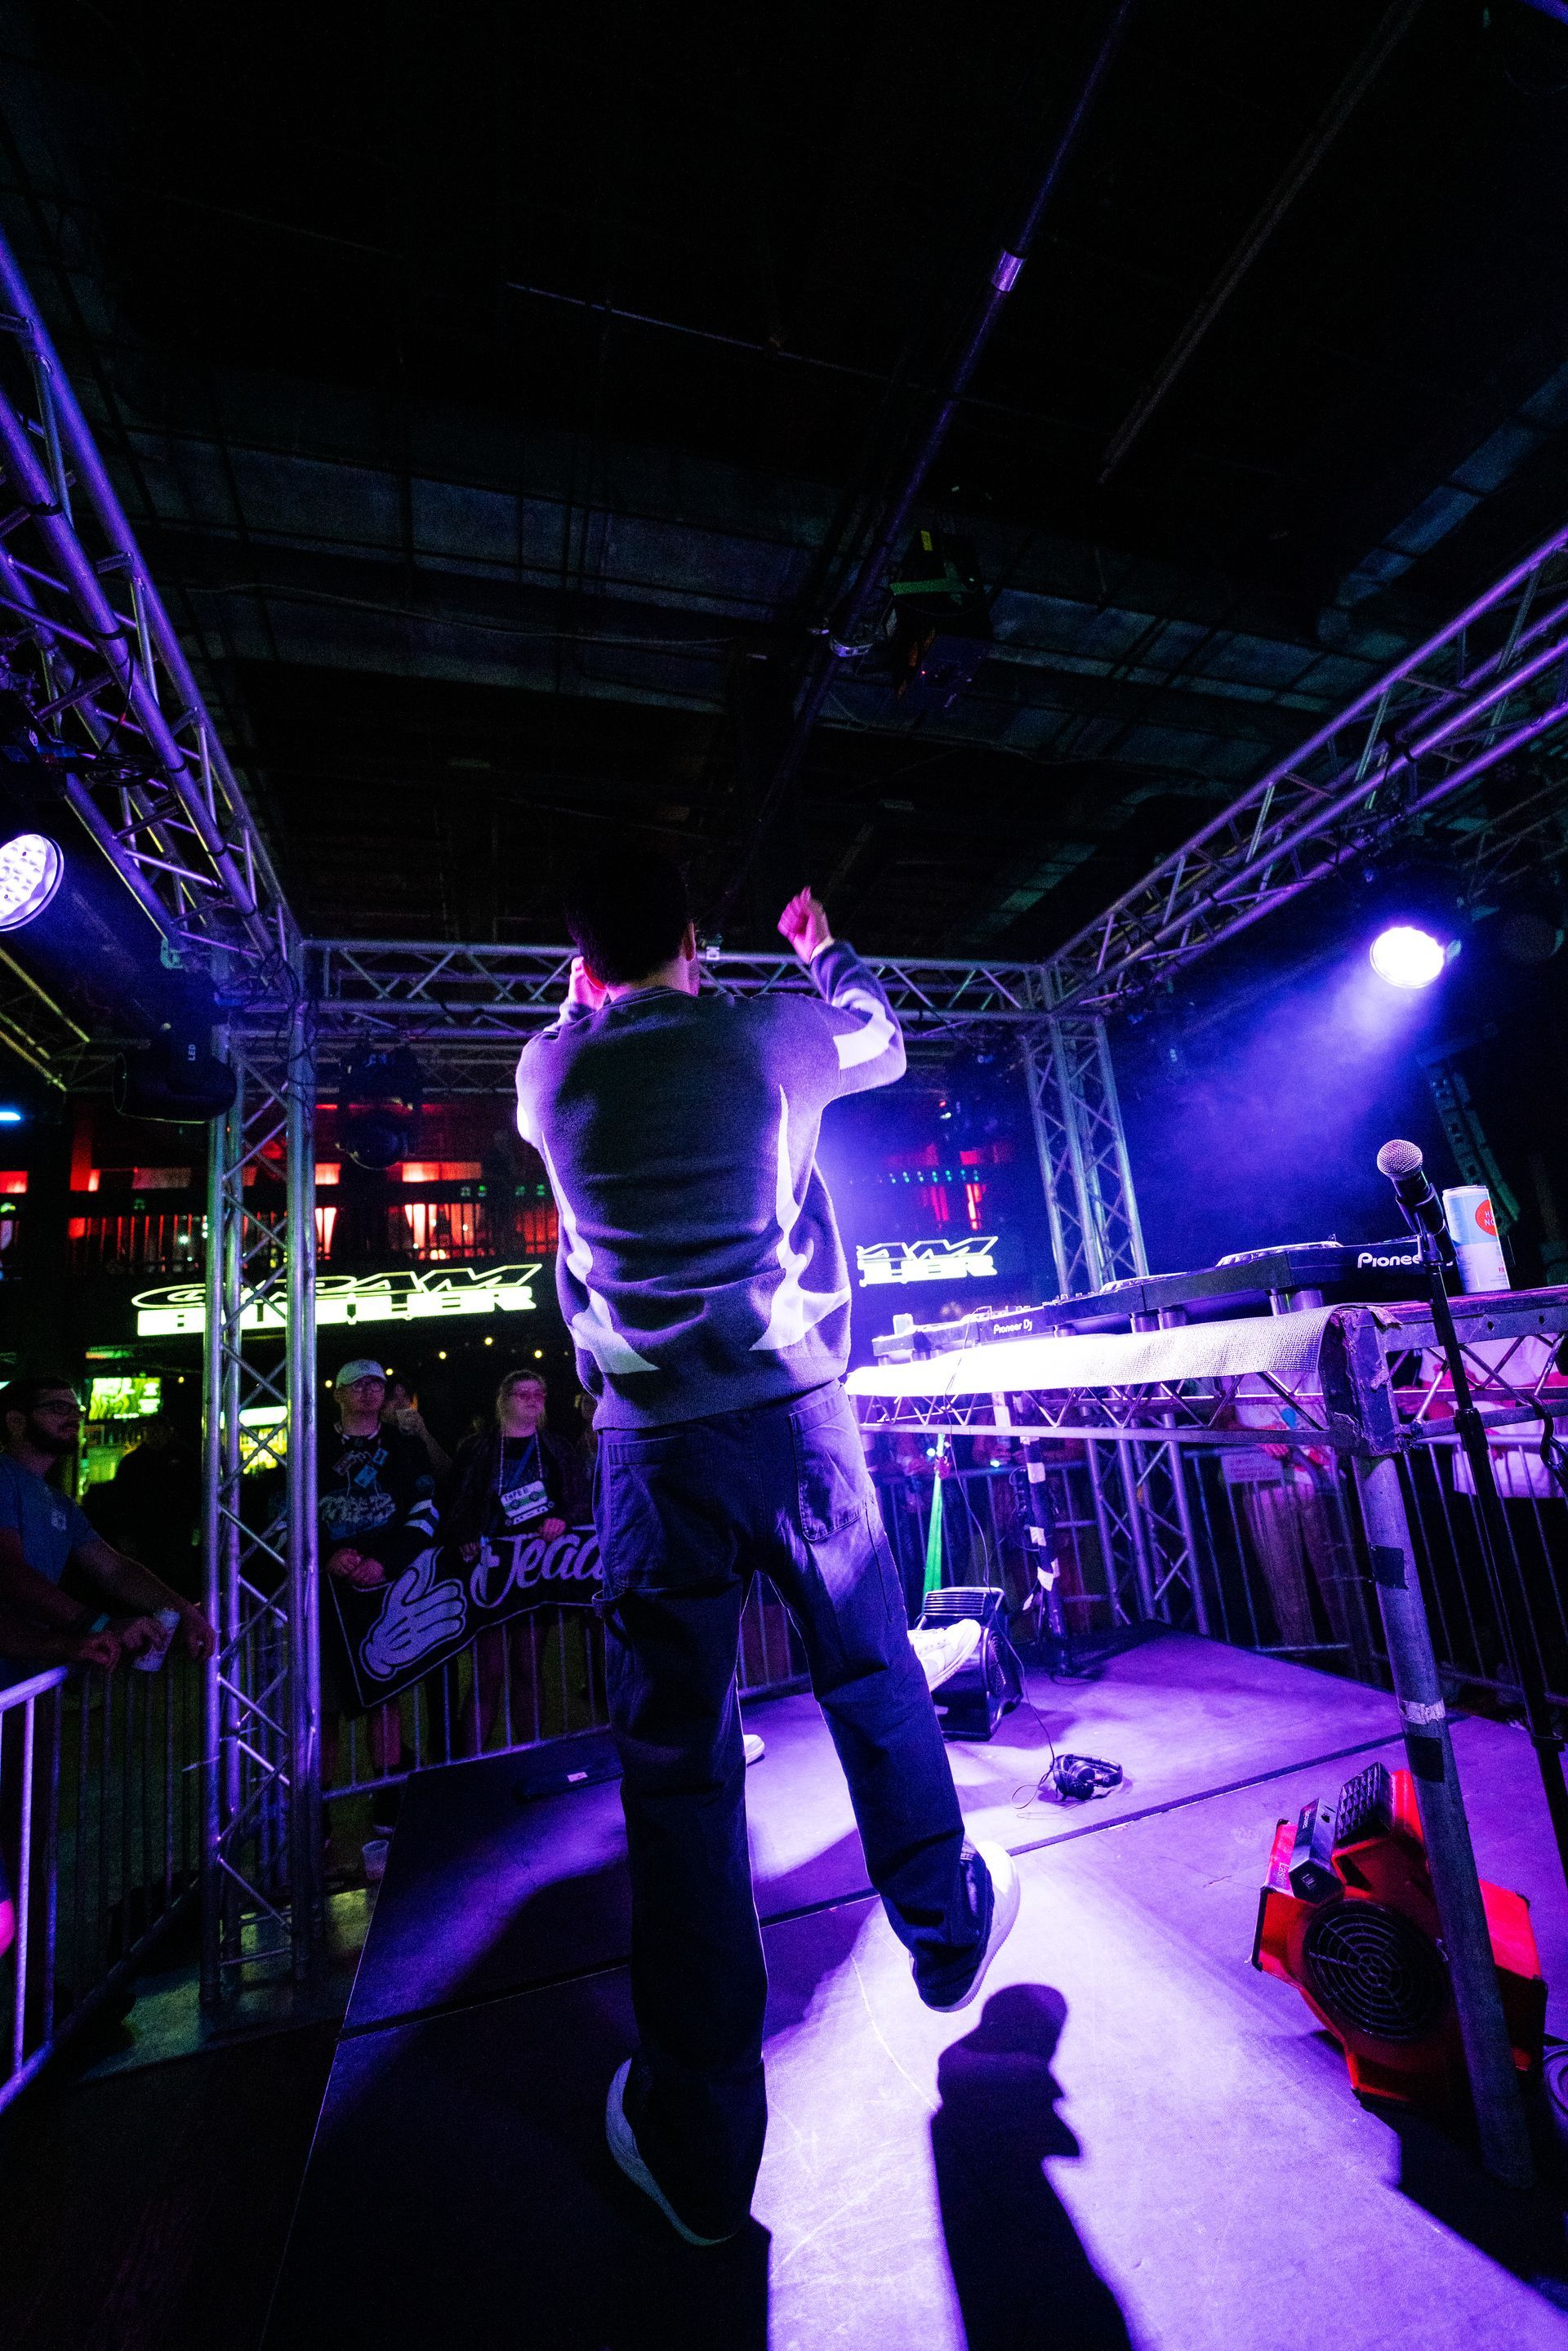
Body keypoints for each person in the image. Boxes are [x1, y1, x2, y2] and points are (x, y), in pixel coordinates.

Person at [515, 853, 1018, 2247]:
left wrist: (599, 994)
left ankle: (699, 2139)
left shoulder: (548, 1073)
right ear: (694, 938)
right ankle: (945, 1922)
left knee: (678, 1775)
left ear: (584, 966)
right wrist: (826, 952)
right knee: (869, 1673)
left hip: (648, 1446)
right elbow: (882, 1035)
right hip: (793, 1414)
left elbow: (585, 1020)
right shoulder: (769, 1036)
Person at [0, 1377, 215, 1685]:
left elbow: (114, 1569)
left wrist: (184, 1611)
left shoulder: (59, 1502)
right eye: (59, 1408)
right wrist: (100, 1624)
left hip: (25, 1662)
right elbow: (8, 1570)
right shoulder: (4, 1479)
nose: (74, 1418)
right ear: (16, 1421)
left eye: (77, 1410)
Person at [318, 1359, 439, 1834]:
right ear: (339, 1394)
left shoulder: (406, 1448)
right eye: (357, 1385)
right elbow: (282, 1517)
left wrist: (386, 1562)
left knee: (384, 1696)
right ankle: (319, 1813)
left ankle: (388, 1807)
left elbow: (426, 1514)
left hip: (388, 1590)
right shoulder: (312, 1446)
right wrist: (327, 1556)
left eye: (377, 1385)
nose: (369, 1392)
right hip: (326, 1596)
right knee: (322, 1706)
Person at [444, 1367, 591, 1750]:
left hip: (534, 1571)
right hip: (490, 1573)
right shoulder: (477, 1449)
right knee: (488, 1671)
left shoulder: (556, 1448)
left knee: (529, 1667)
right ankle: (472, 1761)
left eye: (538, 1394)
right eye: (522, 1393)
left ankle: (530, 1752)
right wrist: (463, 1537)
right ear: (503, 1399)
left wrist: (563, 1520)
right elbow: (454, 1502)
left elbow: (579, 1500)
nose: (531, 1399)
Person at [381, 1378, 452, 1482]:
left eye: (406, 1396)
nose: (402, 1403)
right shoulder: (373, 1435)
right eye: (393, 1398)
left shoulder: (428, 1429)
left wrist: (424, 1433)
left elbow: (450, 1474)